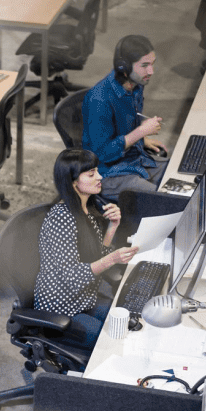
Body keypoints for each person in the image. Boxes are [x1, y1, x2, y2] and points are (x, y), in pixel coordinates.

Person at [34, 149, 139, 347]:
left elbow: (97, 256)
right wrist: (112, 259)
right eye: (91, 174)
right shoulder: (61, 219)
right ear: (73, 182)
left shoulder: (86, 210)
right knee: (111, 340)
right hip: (60, 308)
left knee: (127, 321)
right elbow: (72, 277)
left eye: (97, 171)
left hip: (84, 298)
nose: (100, 177)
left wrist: (113, 226)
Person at [82, 35, 169, 200]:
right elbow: (102, 154)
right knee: (164, 201)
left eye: (152, 64)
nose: (151, 71)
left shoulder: (136, 85)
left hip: (134, 160)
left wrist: (141, 140)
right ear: (124, 67)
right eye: (144, 66)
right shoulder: (99, 100)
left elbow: (124, 128)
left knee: (179, 174)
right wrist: (141, 132)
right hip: (107, 174)